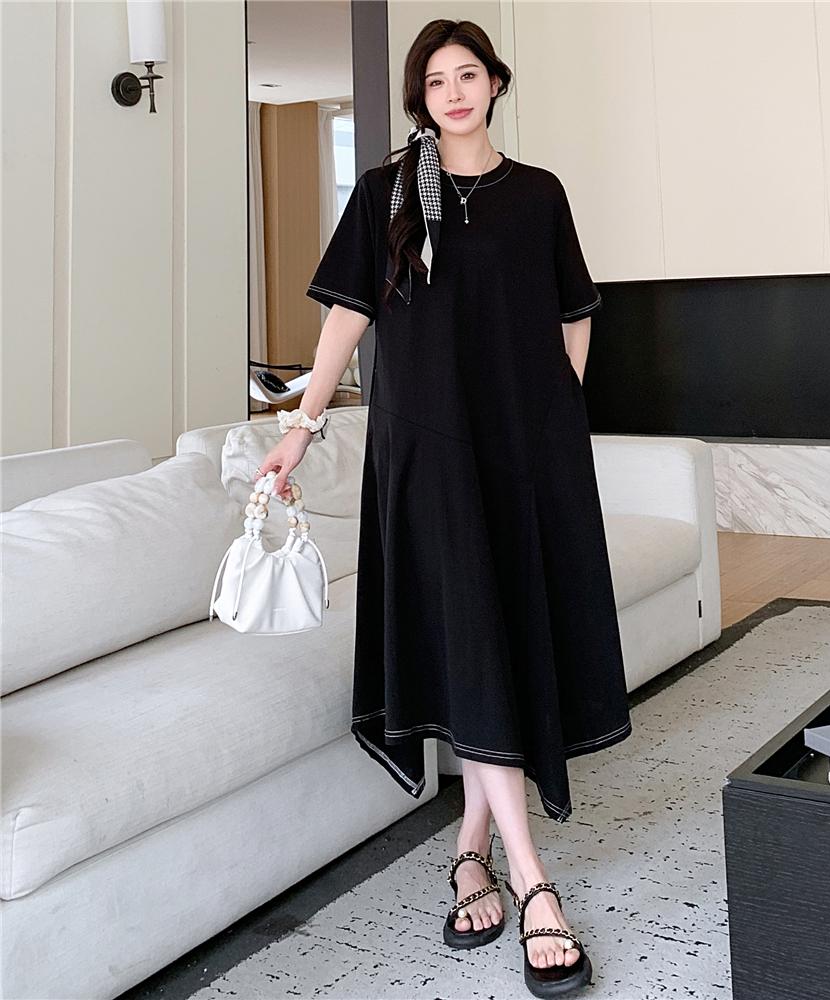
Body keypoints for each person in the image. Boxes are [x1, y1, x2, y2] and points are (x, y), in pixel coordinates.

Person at [258, 19, 632, 997]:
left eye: (469, 74)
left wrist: (559, 406)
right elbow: (347, 316)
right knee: (469, 634)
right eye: (436, 80)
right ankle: (533, 880)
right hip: (426, 450)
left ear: (496, 83)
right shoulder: (384, 192)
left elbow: (574, 310)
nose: (454, 91)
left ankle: (471, 853)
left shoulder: (538, 193)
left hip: (526, 449)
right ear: (418, 97)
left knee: (500, 632)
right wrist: (301, 427)